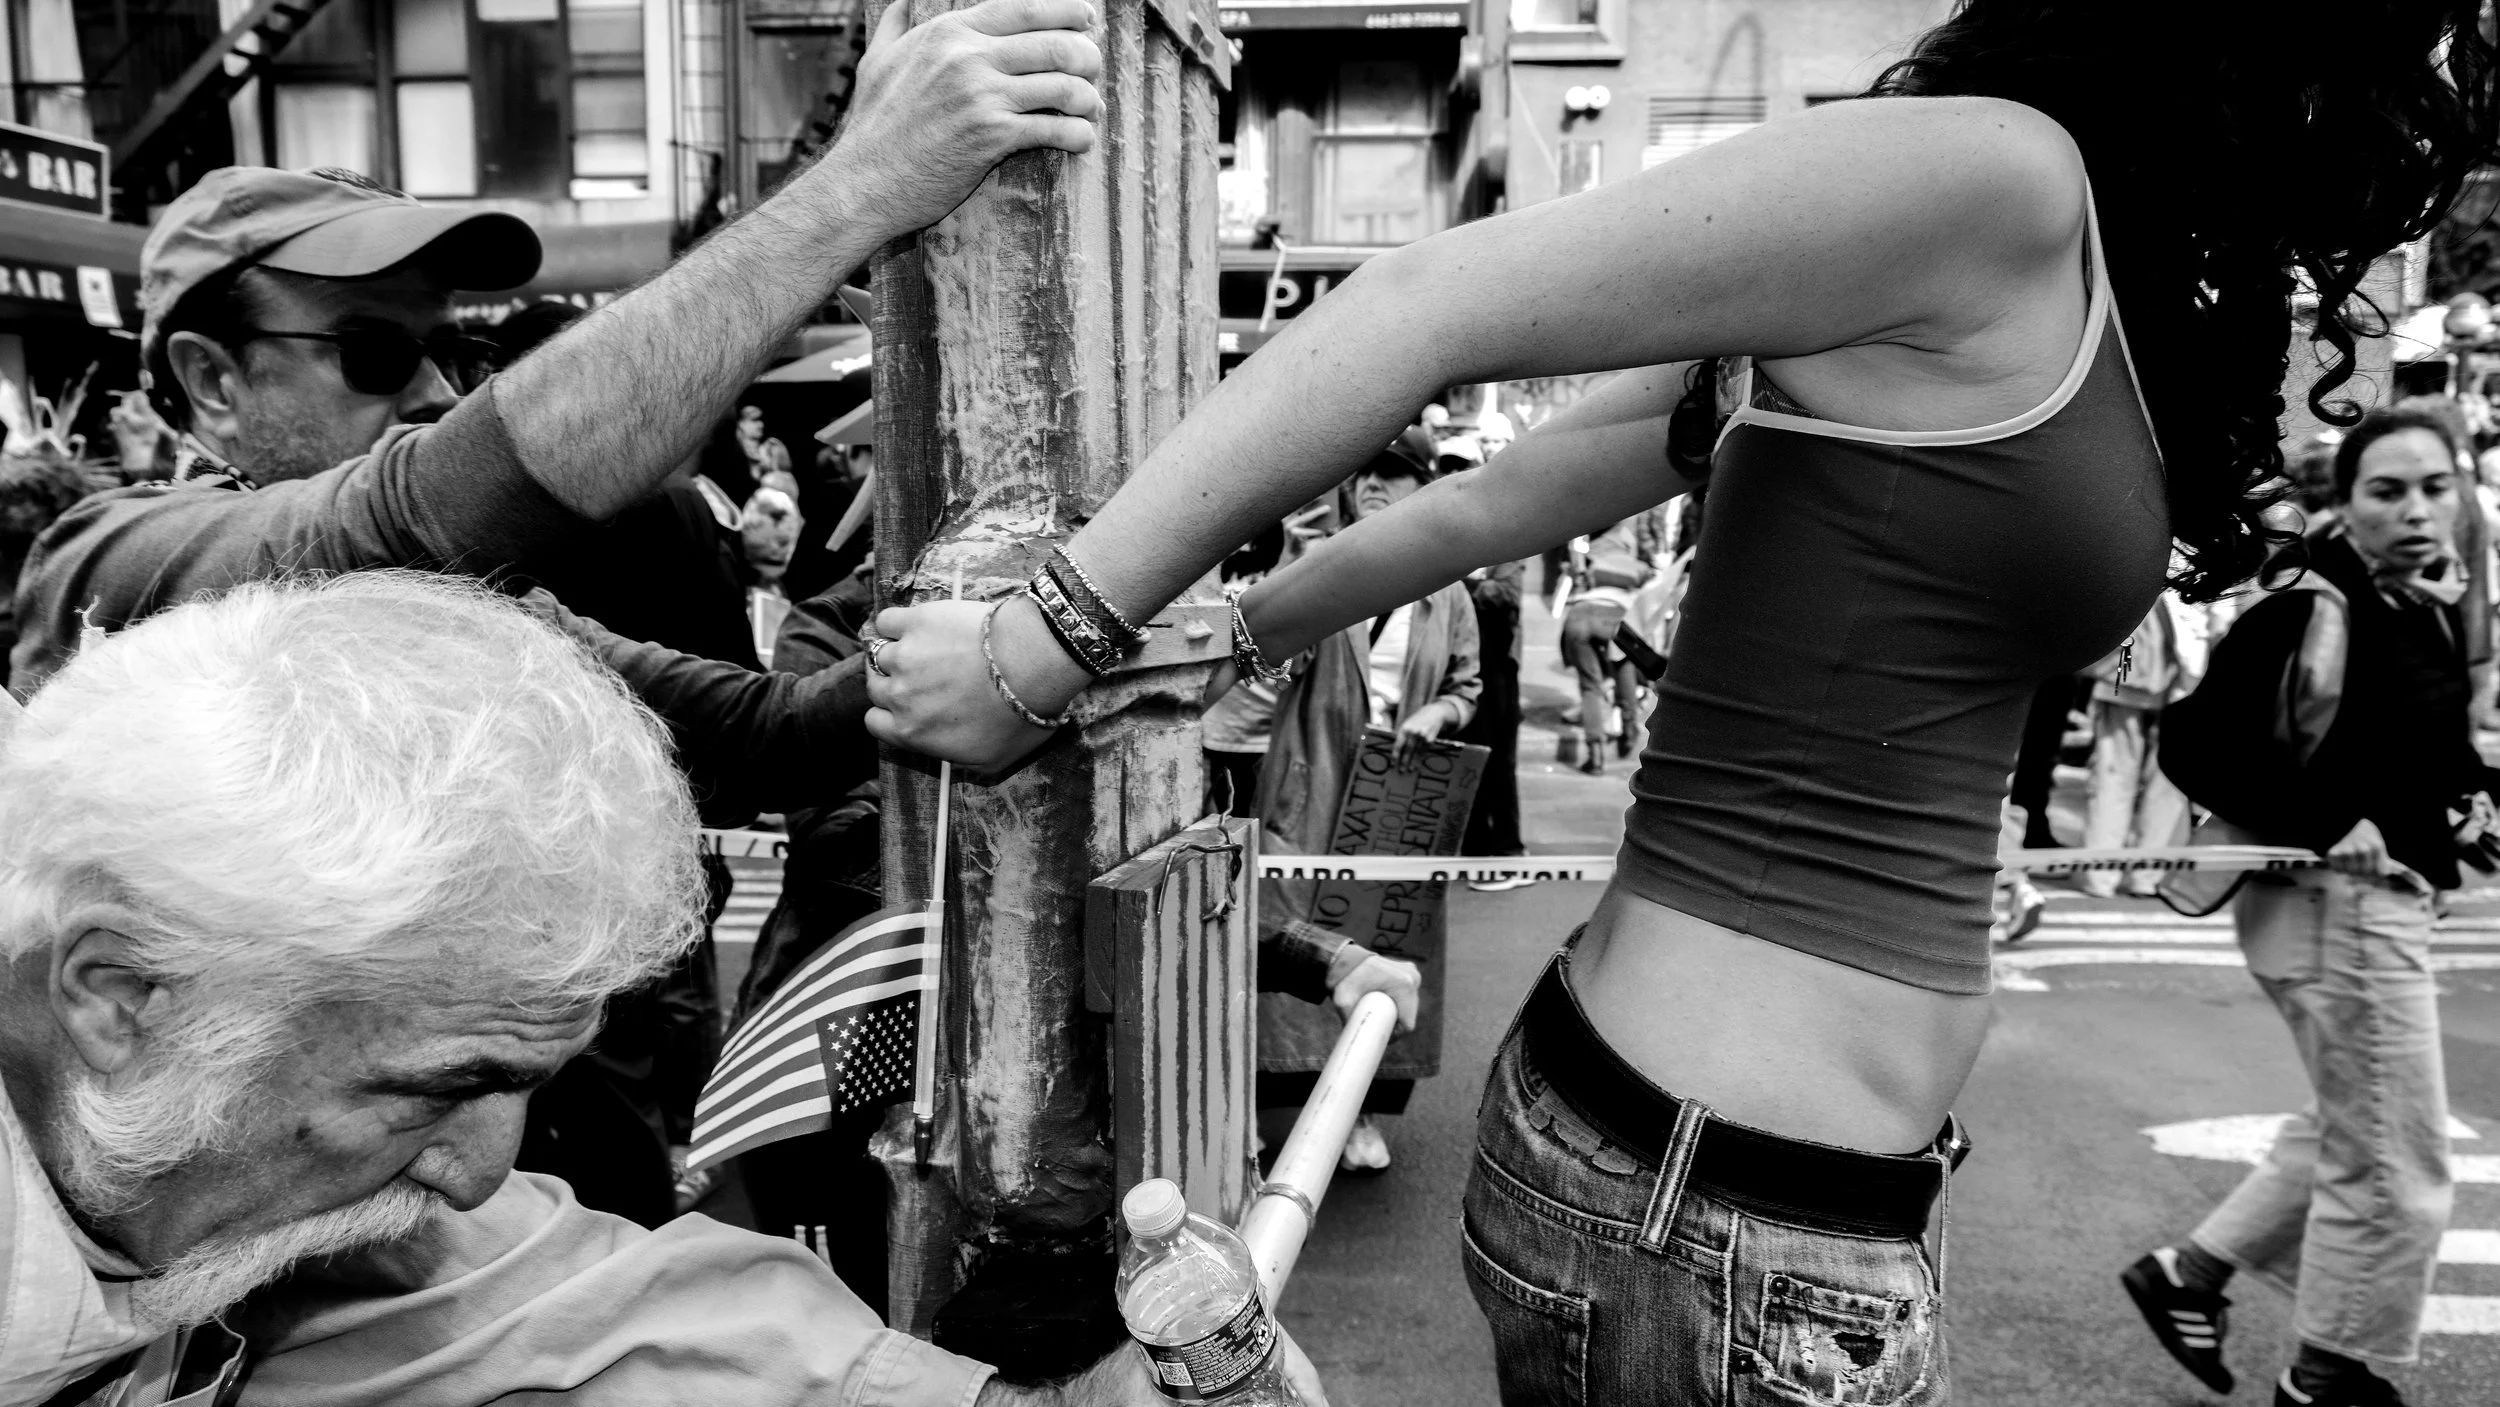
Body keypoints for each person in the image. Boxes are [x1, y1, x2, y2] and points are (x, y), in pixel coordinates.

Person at [859, 4, 2500, 1399]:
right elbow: (1414, 311)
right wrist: (1038, 654)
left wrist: (1238, 628)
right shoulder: (1993, 173)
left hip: (1745, 1195)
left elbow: (1514, 496)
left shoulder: (2066, 266)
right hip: (1717, 1214)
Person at [0, 573, 1334, 1407]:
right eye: (434, 1087)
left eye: (525, 1080)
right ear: (120, 994)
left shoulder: (253, 1100)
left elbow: (552, 1291)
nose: (481, 1172)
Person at [10, 0, 1108, 694]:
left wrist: (1037, 629)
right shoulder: (110, 559)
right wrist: (861, 181)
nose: (438, 388)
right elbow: (436, 495)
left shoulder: (437, 592)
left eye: (446, 345)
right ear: (210, 382)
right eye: (375, 351)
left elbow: (757, 730)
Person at [2133, 406, 2495, 1407]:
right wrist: (2331, 816)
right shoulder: (2306, 604)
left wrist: (2462, 807)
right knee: (2394, 1161)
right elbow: (2192, 743)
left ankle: (2186, 1275)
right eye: (2388, 491)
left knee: (2348, 1129)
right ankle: (2324, 1376)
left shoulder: (2418, 604)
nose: (2417, 510)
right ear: (2347, 504)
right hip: (2334, 910)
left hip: (2373, 908)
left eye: (2435, 487)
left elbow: (2421, 749)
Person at [1253, 431, 1478, 1175]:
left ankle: (1363, 1112)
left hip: (1398, 798)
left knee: (1389, 948)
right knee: (1291, 939)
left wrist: (1436, 716)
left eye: (1396, 472)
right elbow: (1275, 647)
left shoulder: (1448, 592)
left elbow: (1467, 685)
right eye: (1366, 473)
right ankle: (1257, 1109)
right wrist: (1298, 563)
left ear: (1423, 487)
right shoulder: (1325, 567)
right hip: (1311, 787)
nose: (1376, 484)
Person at [2076, 595, 2200, 896]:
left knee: (2113, 776)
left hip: (2127, 672)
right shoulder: (2210, 560)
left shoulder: (2140, 554)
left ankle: (2099, 876)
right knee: (2168, 780)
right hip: (2184, 679)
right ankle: (2148, 877)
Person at [1557, 516, 1652, 772]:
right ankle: (1630, 730)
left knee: (1590, 686)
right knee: (1625, 667)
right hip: (1615, 618)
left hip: (1579, 616)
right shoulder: (1636, 565)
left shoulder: (1586, 558)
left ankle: (1595, 754)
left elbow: (1572, 580)